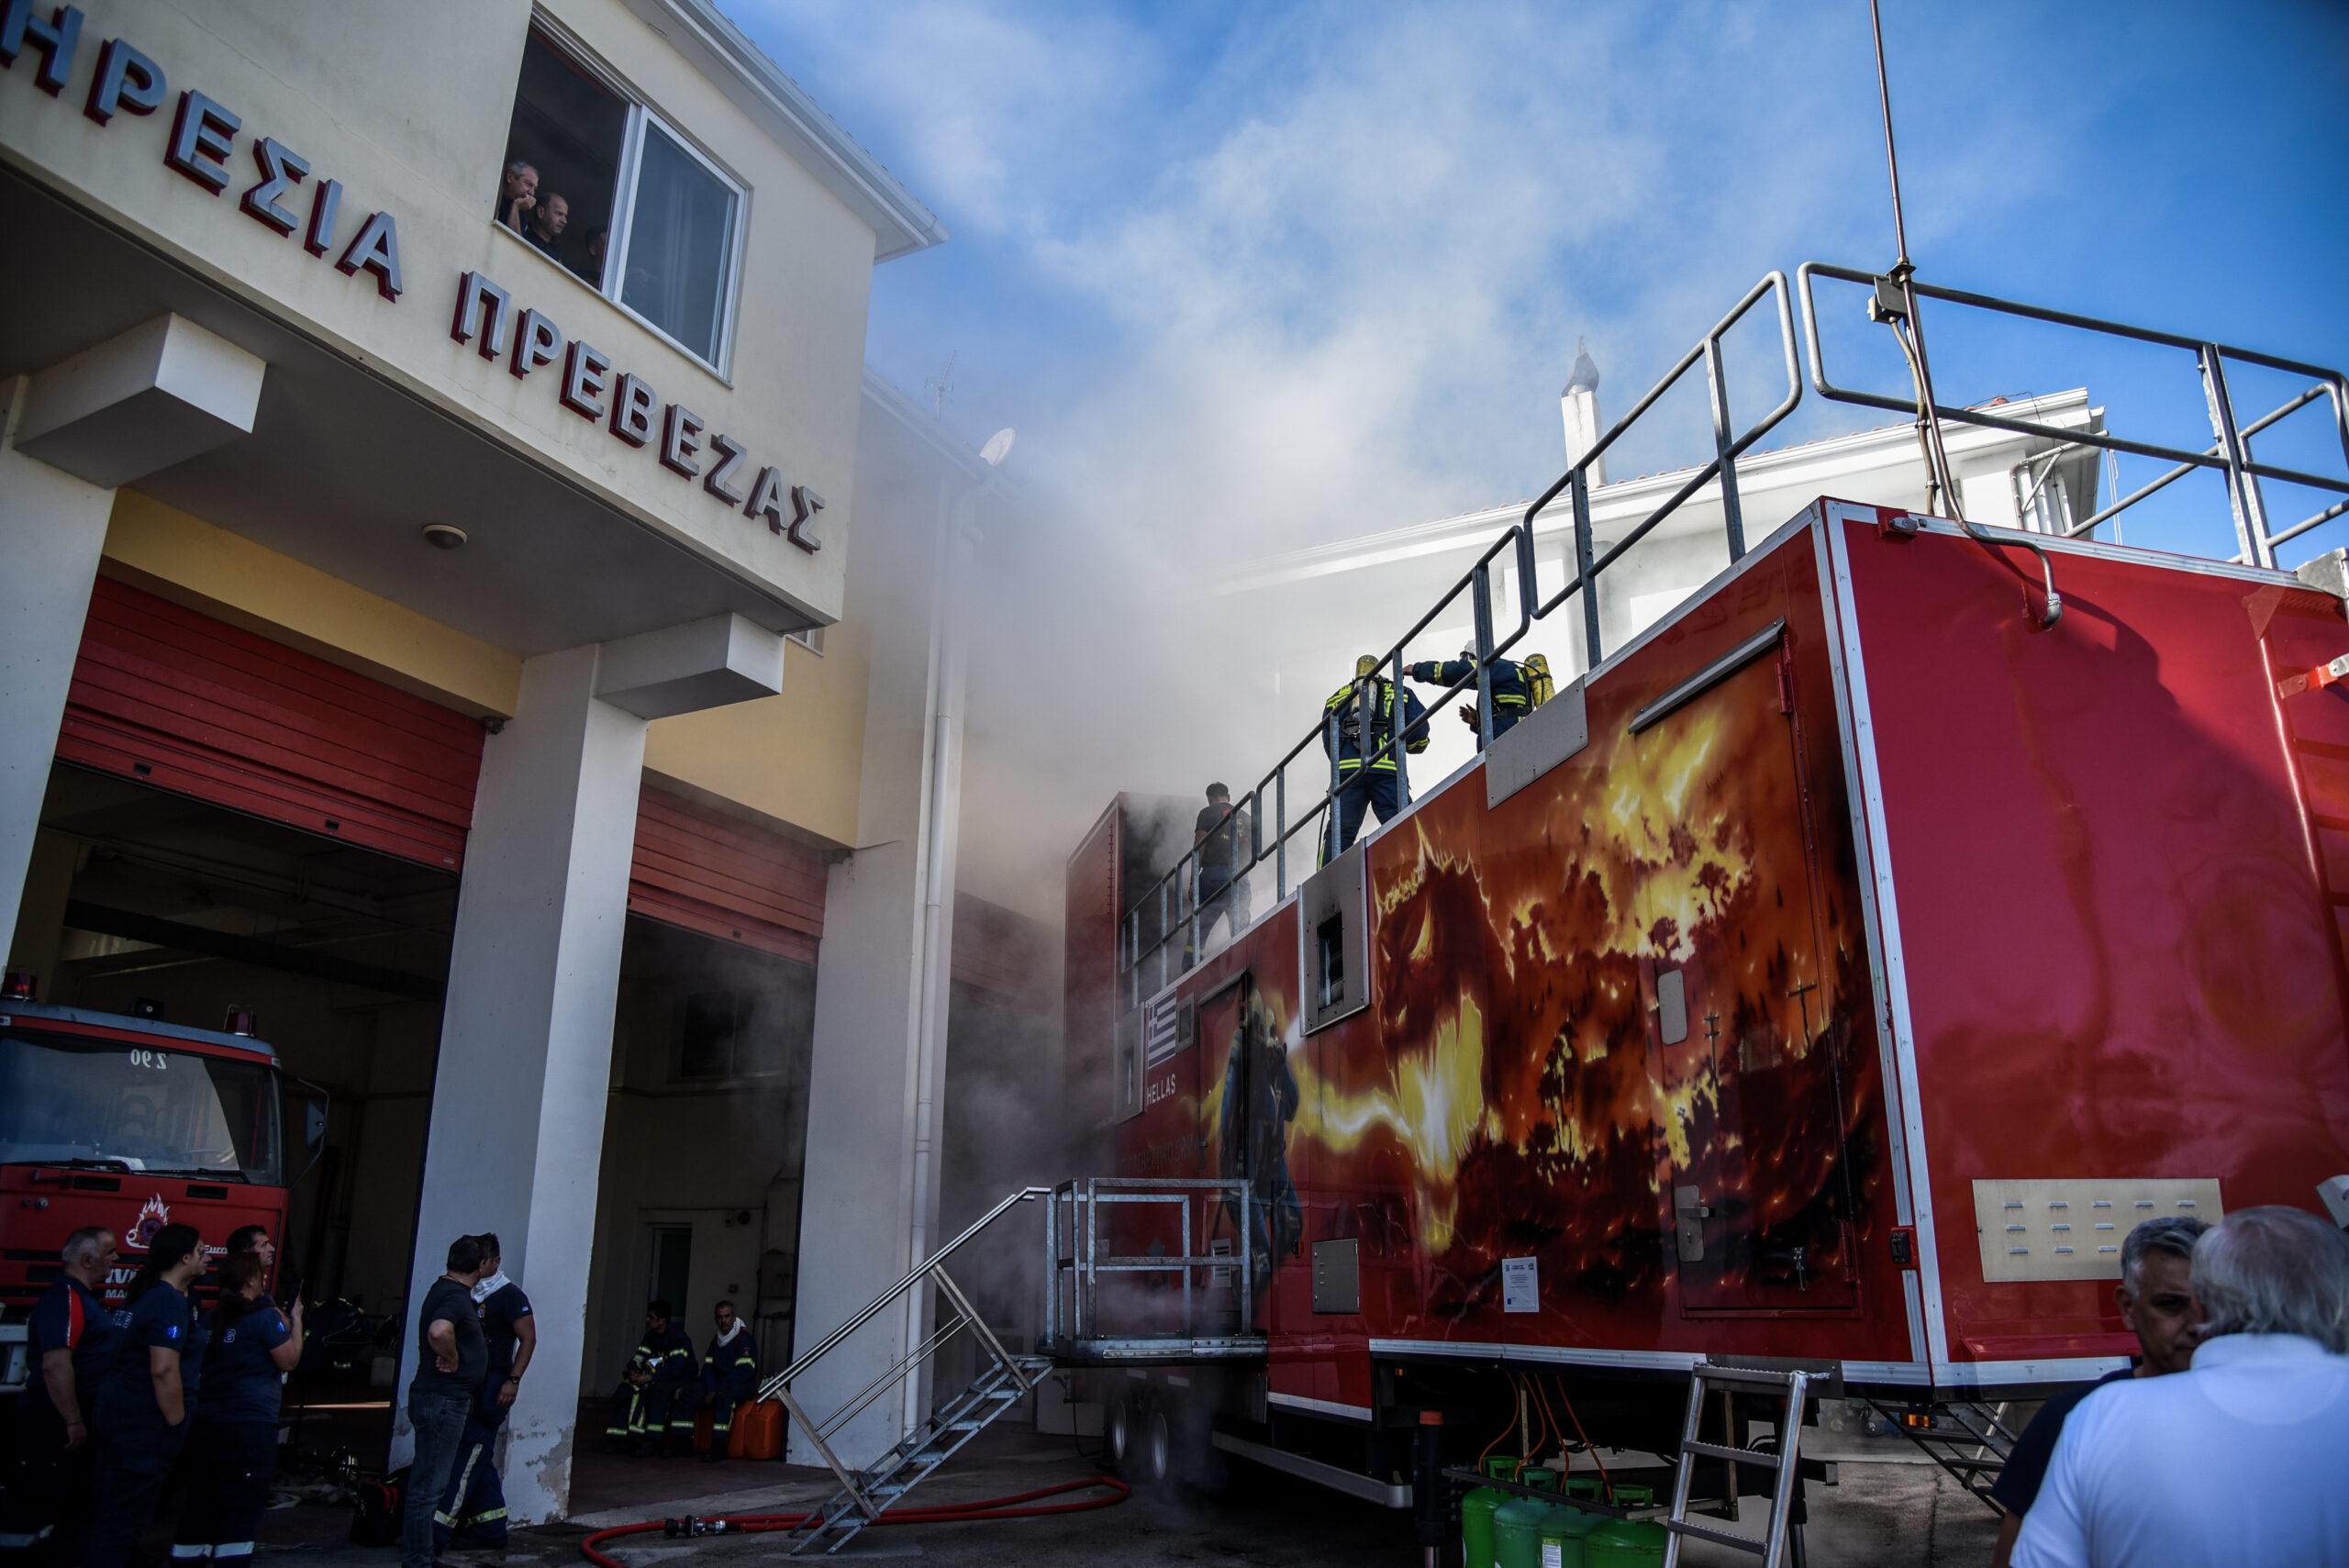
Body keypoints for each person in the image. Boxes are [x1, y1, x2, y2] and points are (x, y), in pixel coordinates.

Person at [2011, 1206, 2349, 1568]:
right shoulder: (2086, 1417)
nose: (2193, 1326)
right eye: (2171, 1305)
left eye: (2202, 1302)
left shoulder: (2101, 1418)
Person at [1988, 1217, 2207, 1567]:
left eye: (2211, 1305)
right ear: (2127, 1308)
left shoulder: (2269, 1417)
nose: (2197, 1325)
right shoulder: (2069, 1419)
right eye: (2171, 1305)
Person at [83, 1222, 206, 1568]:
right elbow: (163, 1368)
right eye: (201, 1251)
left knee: (112, 1511)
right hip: (144, 1426)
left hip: (120, 1417)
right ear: (184, 1258)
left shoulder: (145, 1296)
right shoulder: (168, 1302)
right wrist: (176, 1423)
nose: (208, 1258)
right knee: (124, 1519)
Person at [172, 1251, 302, 1568]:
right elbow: (289, 1360)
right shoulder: (264, 1318)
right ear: (252, 1281)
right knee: (241, 1503)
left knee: (201, 1499)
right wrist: (297, 1320)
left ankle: (188, 1558)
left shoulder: (211, 1319)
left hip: (208, 1421)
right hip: (249, 1425)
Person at [0, 1227, 120, 1562]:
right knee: (43, 1497)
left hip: (74, 1413)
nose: (116, 1258)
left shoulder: (84, 1299)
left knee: (72, 1500)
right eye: (110, 1252)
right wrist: (72, 1420)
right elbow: (56, 1364)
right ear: (87, 1259)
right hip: (52, 1418)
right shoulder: (66, 1299)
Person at [436, 1234, 534, 1553]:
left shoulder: (509, 1296)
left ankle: (437, 1531)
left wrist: (513, 1381)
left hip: (492, 1387)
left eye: (483, 1262)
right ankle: (491, 1529)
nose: (478, 1268)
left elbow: (529, 1339)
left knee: (467, 1457)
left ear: (494, 1262)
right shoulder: (465, 1292)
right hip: (467, 1384)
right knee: (478, 1458)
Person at [401, 1236, 489, 1568]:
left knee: (429, 1484)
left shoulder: (446, 1290)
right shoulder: (454, 1295)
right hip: (443, 1399)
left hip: (440, 1397)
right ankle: (418, 1560)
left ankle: (421, 1555)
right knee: (429, 1487)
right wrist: (452, 1358)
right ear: (480, 1266)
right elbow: (439, 1331)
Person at [1320, 655, 1429, 860]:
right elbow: (1419, 731)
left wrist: (1343, 762)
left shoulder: (1336, 698)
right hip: (1387, 771)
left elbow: (1328, 740)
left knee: (1339, 833)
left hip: (1348, 775)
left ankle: (1326, 878)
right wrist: (1414, 747)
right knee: (1402, 823)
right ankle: (1416, 868)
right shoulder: (1400, 692)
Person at [603, 1302, 696, 1456]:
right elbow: (640, 1357)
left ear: (662, 1320)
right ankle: (620, 1438)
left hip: (677, 1379)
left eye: (651, 1317)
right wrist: (633, 1371)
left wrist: (650, 1377)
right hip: (653, 1377)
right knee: (626, 1389)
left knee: (656, 1392)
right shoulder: (650, 1337)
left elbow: (676, 1367)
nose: (647, 1320)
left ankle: (653, 1440)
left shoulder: (678, 1337)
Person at [1405, 644, 1537, 742]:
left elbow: (1460, 671)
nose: (1464, 661)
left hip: (1511, 736)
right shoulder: (1502, 671)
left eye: (1466, 657)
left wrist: (1418, 670)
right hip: (1512, 733)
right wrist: (1478, 720)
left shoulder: (1496, 666)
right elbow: (1508, 709)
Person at [1189, 783, 1252, 957]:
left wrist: (1193, 881)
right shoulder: (1245, 816)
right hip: (1240, 875)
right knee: (1240, 924)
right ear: (1228, 797)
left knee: (1200, 927)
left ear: (1209, 799)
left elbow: (1198, 848)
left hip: (1213, 875)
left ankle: (1191, 963)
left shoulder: (1207, 813)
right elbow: (1251, 851)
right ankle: (1244, 958)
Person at [696, 1301, 760, 1463]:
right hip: (718, 1385)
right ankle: (681, 1441)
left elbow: (745, 1372)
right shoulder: (716, 1341)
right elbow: (708, 1368)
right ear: (715, 1319)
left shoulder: (744, 1340)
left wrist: (717, 1389)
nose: (723, 1320)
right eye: (720, 1317)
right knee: (690, 1391)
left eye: (727, 1316)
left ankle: (719, 1446)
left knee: (724, 1397)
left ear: (733, 1317)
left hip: (741, 1386)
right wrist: (711, 1388)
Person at [521, 191, 569, 261]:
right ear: (541, 212)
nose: (564, 221)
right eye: (559, 214)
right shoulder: (523, 230)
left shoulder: (556, 247)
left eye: (565, 216)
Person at [495, 159, 538, 233]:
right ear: (510, 177)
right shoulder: (493, 193)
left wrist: (516, 207)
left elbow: (512, 239)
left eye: (534, 188)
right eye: (529, 184)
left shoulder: (520, 208)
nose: (532, 193)